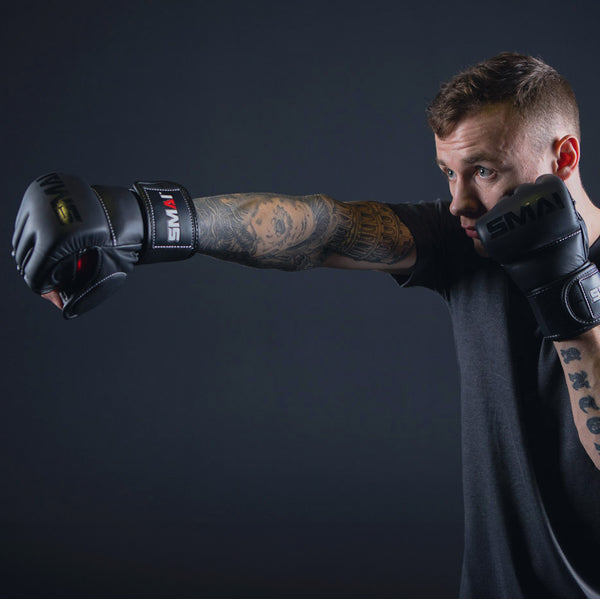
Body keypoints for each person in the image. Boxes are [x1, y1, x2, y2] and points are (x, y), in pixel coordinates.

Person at [12, 52, 600, 598]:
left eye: (484, 171)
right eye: (449, 173)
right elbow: (327, 229)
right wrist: (154, 219)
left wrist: (564, 292)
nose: (459, 203)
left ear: (564, 157)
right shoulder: (468, 242)